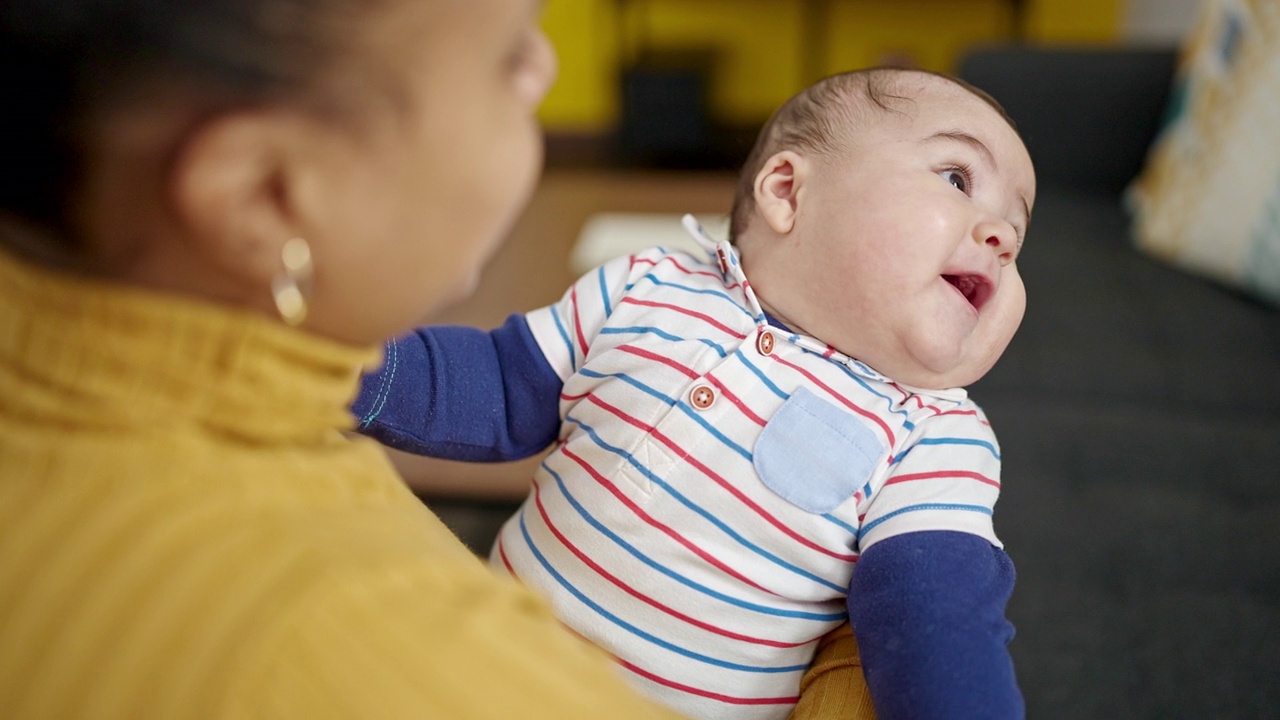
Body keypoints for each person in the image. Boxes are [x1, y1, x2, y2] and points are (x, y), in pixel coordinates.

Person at [0, 1, 874, 718]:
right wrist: (849, 633)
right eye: (506, 59)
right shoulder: (377, 656)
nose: (548, 74)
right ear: (268, 192)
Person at [354, 66, 1035, 719]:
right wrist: (353, 367)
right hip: (488, 662)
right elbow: (500, 388)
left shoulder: (936, 435)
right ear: (789, 193)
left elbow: (936, 619)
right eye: (956, 178)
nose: (1001, 237)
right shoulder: (651, 284)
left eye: (1019, 228)